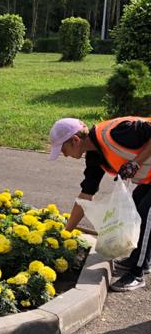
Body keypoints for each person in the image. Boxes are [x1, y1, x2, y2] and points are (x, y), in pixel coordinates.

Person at [48, 115, 151, 291]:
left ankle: (137, 272)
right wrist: (65, 233)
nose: (64, 155)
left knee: (147, 211)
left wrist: (136, 162)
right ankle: (139, 260)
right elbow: (86, 195)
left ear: (74, 140)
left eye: (63, 149)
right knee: (137, 204)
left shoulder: (118, 133)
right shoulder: (95, 156)